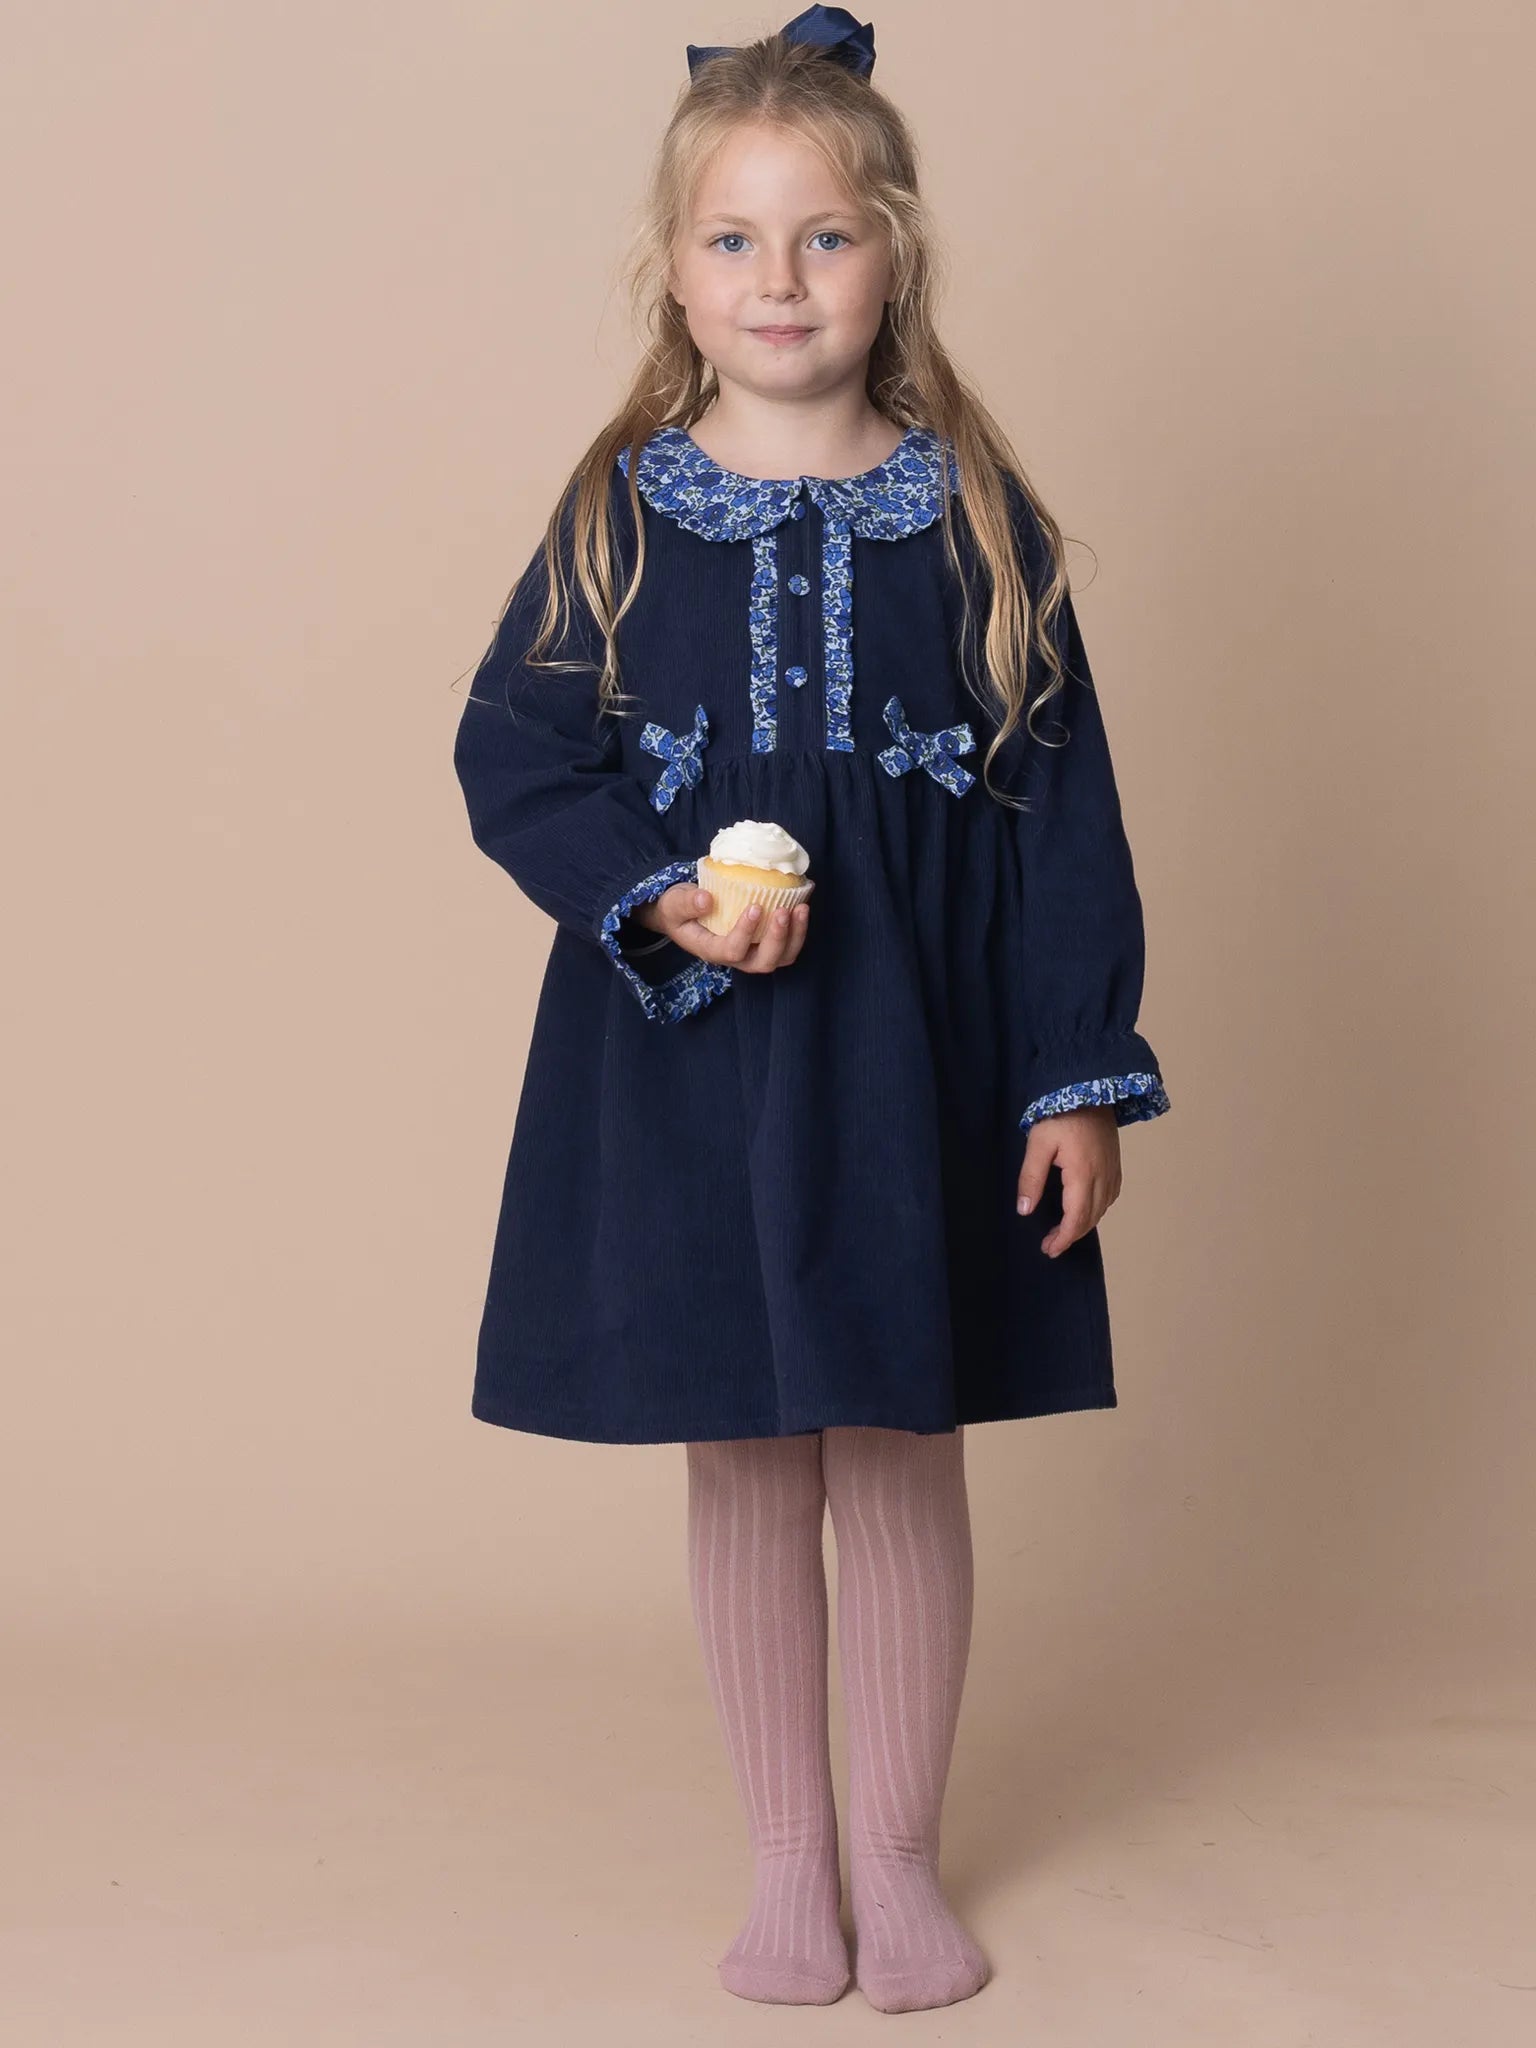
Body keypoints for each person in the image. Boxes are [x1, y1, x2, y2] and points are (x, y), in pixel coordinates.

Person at [450, 4, 1170, 2015]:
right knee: (755, 1458)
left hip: (917, 1068)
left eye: (827, 237)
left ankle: (896, 1863)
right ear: (674, 273)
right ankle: (789, 1867)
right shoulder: (617, 515)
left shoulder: (979, 523)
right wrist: (660, 891)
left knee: (903, 1443)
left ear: (897, 257)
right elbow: (514, 754)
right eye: (739, 241)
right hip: (695, 1065)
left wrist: (1074, 1077)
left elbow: (1064, 819)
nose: (784, 281)